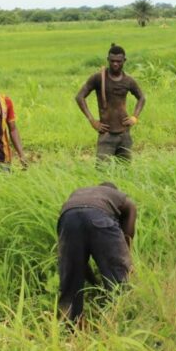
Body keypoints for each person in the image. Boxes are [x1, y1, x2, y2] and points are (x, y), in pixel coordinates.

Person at [57, 182, 136, 322]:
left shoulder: (79, 191)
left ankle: (68, 328)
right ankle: (123, 321)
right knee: (119, 279)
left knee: (69, 281)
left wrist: (94, 282)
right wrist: (124, 255)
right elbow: (128, 231)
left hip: (68, 218)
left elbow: (78, 263)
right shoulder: (120, 197)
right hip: (100, 216)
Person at [75, 44, 146, 162]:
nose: (115, 64)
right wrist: (92, 121)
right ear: (108, 60)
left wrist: (135, 117)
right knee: (102, 169)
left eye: (119, 61)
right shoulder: (98, 78)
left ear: (124, 60)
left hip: (124, 133)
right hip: (106, 134)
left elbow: (142, 97)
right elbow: (80, 97)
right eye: (112, 61)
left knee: (125, 170)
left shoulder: (128, 80)